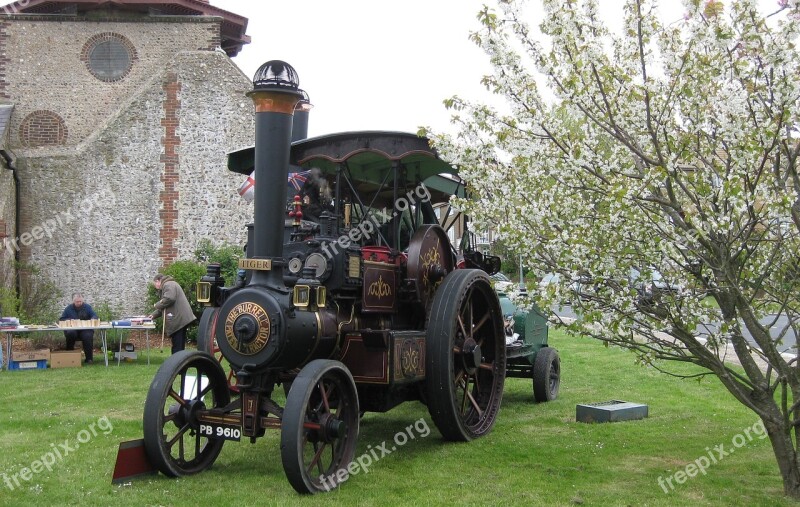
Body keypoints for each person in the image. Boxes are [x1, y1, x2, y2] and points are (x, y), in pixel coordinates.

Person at [149, 274, 196, 354]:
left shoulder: (168, 284)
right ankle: (180, 362)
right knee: (178, 345)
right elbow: (165, 305)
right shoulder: (169, 284)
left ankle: (177, 363)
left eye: (155, 284)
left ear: (158, 281)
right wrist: (153, 315)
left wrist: (156, 305)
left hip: (179, 319)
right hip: (181, 319)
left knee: (177, 346)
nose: (155, 287)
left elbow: (169, 299)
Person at [60, 293, 99, 364]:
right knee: (70, 333)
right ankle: (69, 356)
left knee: (88, 336)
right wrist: (69, 320)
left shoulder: (87, 307)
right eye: (77, 302)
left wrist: (93, 319)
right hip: (73, 329)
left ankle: (89, 359)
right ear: (73, 301)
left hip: (85, 329)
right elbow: (62, 319)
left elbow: (94, 315)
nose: (79, 303)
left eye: (80, 301)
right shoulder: (68, 309)